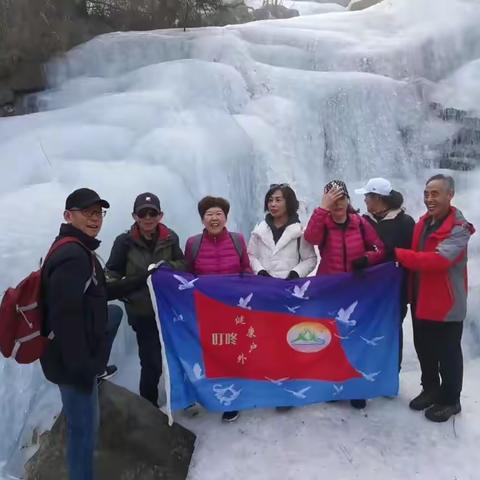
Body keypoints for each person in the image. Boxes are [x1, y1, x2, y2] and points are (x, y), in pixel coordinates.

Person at [41, 188, 118, 480]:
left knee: (115, 314)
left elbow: (98, 293)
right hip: (71, 364)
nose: (95, 218)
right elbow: (65, 319)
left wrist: (138, 282)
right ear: (68, 215)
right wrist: (83, 370)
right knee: (84, 432)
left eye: (99, 213)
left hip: (74, 355)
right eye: (87, 212)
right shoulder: (73, 255)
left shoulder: (76, 247)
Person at [395, 174, 475, 422]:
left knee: (448, 353)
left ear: (450, 195)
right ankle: (430, 388)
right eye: (427, 193)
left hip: (446, 304)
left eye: (435, 193)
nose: (429, 198)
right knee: (424, 349)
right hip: (421, 299)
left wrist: (398, 254)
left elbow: (439, 260)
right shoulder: (423, 223)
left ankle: (451, 400)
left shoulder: (460, 229)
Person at [304, 180, 385, 409]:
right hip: (330, 289)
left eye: (342, 198)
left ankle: (356, 387)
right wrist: (322, 208)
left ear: (349, 199)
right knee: (332, 338)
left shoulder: (360, 223)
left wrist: (366, 259)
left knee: (355, 338)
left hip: (357, 289)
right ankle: (334, 385)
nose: (338, 204)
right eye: (333, 199)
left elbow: (379, 248)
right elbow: (311, 238)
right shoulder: (324, 223)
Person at [106, 193, 185, 408]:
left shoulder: (170, 238)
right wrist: (129, 288)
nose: (148, 217)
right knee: (151, 362)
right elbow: (111, 273)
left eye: (153, 213)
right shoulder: (124, 242)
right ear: (135, 216)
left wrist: (168, 269)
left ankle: (181, 398)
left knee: (175, 355)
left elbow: (183, 264)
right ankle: (148, 407)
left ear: (160, 215)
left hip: (168, 309)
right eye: (143, 213)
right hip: (142, 312)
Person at [248, 183, 317, 412]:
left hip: (289, 292)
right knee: (267, 340)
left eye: (278, 199)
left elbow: (310, 259)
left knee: (289, 340)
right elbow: (250, 255)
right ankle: (270, 385)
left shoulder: (301, 231)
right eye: (270, 200)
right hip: (265, 291)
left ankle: (287, 390)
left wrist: (295, 274)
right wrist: (260, 271)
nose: (273, 204)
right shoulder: (259, 230)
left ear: (289, 202)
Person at [185, 196, 252, 422]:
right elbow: (187, 277)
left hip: (232, 310)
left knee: (231, 353)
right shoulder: (193, 244)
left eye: (218, 214)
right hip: (206, 311)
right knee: (208, 355)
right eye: (209, 215)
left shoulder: (237, 240)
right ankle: (209, 395)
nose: (214, 219)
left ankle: (232, 401)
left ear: (225, 217)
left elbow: (247, 271)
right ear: (202, 219)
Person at [355, 177, 415, 369]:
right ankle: (366, 370)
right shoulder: (362, 221)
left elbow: (411, 257)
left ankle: (389, 374)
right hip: (366, 289)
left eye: (367, 196)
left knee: (391, 330)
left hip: (394, 291)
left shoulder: (405, 222)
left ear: (378, 198)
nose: (364, 200)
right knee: (364, 330)